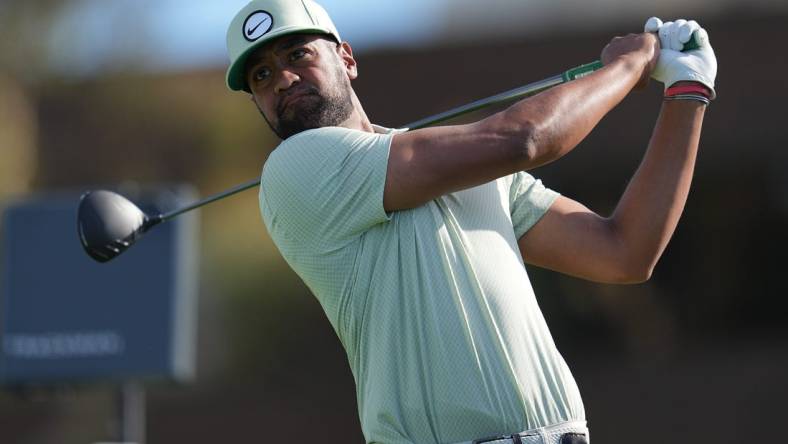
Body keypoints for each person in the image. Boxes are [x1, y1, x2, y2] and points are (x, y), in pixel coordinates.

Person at [224, 1, 717, 443]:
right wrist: (630, 64)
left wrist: (686, 91)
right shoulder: (296, 169)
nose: (282, 79)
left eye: (297, 56)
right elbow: (524, 140)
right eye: (261, 77)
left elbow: (623, 253)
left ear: (346, 59)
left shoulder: (465, 164)